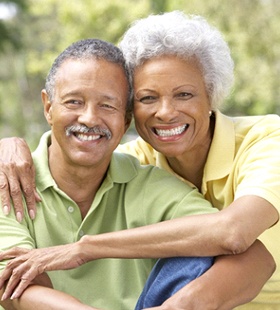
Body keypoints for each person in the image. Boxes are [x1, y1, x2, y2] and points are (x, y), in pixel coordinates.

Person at [0, 11, 279, 309]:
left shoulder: (266, 139)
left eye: (184, 94)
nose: (166, 112)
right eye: (148, 98)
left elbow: (235, 236)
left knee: (193, 251)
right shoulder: (131, 162)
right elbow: (13, 283)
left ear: (211, 96)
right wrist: (9, 146)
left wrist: (85, 248)